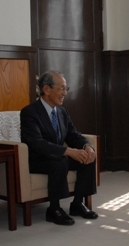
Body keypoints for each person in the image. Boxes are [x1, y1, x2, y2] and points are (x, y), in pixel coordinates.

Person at [20, 70, 98, 226]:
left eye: (66, 88)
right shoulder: (30, 112)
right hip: (38, 159)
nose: (65, 93)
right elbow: (36, 143)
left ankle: (77, 204)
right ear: (46, 89)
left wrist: (87, 146)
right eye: (61, 88)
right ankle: (54, 209)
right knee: (60, 161)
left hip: (57, 156)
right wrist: (67, 151)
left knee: (87, 158)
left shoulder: (62, 112)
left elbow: (73, 134)